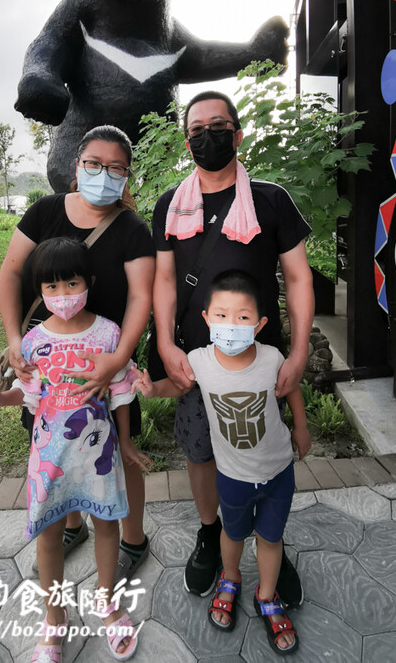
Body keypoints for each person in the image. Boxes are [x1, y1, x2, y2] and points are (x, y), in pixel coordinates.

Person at [150, 91, 314, 604]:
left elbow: (298, 276)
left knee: (266, 452)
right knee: (201, 453)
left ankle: (271, 542)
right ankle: (208, 531)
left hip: (260, 362)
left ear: (238, 134)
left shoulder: (270, 199)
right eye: (197, 130)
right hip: (196, 363)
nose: (207, 135)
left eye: (218, 125)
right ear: (187, 141)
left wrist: (301, 350)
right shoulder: (169, 205)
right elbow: (162, 281)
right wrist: (164, 344)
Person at [0, 237, 147, 660]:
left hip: (98, 457)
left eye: (71, 283)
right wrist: (0, 398)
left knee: (106, 526)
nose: (62, 295)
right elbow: (29, 395)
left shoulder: (109, 334)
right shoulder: (31, 343)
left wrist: (125, 443)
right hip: (48, 460)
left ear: (90, 281)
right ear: (39, 291)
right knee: (49, 535)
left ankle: (107, 603)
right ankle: (54, 618)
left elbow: (120, 394)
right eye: (51, 287)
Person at [0, 125, 155, 580]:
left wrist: (119, 358)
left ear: (127, 175)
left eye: (115, 167)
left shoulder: (131, 229)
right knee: (55, 445)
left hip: (106, 356)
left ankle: (133, 537)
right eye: (94, 164)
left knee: (119, 451)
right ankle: (72, 526)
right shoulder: (44, 211)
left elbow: (141, 297)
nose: (103, 174)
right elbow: (11, 274)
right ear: (77, 164)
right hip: (51, 361)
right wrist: (13, 338)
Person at [134, 270, 310, 653]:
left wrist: (301, 427)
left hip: (278, 471)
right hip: (231, 477)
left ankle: (267, 596)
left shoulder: (271, 357)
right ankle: (230, 579)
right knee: (231, 534)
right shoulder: (198, 360)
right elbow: (176, 386)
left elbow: (290, 388)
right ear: (206, 319)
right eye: (222, 315)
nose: (232, 325)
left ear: (261, 323)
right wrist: (151, 389)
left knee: (270, 537)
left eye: (243, 317)